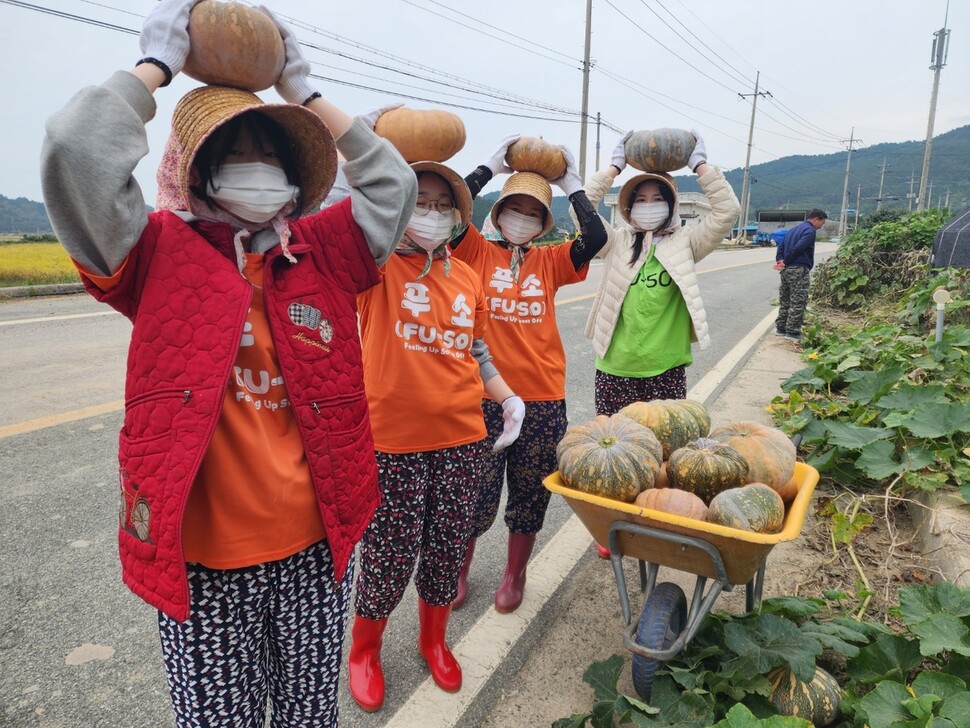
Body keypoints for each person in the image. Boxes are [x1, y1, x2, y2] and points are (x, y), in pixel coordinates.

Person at [39, 1, 416, 725]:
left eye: (272, 158)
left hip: (317, 551)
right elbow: (74, 150)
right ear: (201, 171)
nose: (259, 171)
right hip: (205, 567)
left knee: (309, 717)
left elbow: (392, 185)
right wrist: (156, 68)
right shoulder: (151, 253)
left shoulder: (324, 251)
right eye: (238, 156)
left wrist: (302, 91)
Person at [348, 159, 525, 712]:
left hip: (462, 439)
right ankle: (365, 651)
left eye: (442, 204)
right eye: (417, 201)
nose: (431, 213)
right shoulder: (371, 268)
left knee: (447, 549)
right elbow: (347, 209)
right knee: (388, 554)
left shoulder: (466, 276)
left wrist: (506, 396)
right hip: (392, 442)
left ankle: (433, 641)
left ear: (457, 216)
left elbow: (474, 352)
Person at [446, 136, 607, 614]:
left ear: (542, 224)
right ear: (496, 216)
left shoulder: (552, 261)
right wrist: (489, 168)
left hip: (541, 397)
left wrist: (573, 185)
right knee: (474, 491)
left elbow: (595, 238)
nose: (522, 219)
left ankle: (514, 575)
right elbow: (452, 213)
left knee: (530, 489)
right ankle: (460, 571)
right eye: (513, 210)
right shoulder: (474, 250)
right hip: (483, 397)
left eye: (533, 213)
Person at [776, 209, 827, 341]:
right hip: (798, 268)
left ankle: (780, 328)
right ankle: (792, 332)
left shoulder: (793, 230)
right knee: (798, 300)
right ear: (817, 219)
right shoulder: (810, 231)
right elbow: (799, 247)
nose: (821, 226)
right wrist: (786, 261)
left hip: (786, 270)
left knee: (785, 299)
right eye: (822, 222)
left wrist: (780, 261)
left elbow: (781, 246)